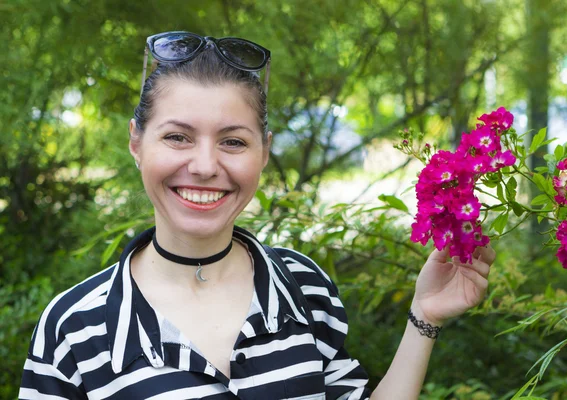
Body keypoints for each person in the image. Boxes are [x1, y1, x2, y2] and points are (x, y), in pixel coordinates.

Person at [19, 32, 495, 400]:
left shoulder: (305, 287)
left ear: (264, 153)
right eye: (178, 137)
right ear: (136, 143)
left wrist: (423, 316)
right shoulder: (74, 327)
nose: (205, 166)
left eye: (233, 141)